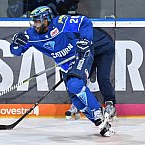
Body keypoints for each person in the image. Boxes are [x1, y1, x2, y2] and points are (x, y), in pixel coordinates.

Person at [10, 6, 115, 137]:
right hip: (66, 65)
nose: (35, 24)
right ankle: (101, 123)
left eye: (37, 21)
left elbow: (85, 22)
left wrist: (85, 40)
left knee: (75, 84)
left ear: (46, 20)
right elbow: (16, 51)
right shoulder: (31, 34)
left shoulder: (60, 22)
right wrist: (15, 42)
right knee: (76, 100)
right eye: (34, 21)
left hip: (79, 55)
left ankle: (97, 110)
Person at [65, 28, 116, 122]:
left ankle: (110, 103)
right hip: (90, 50)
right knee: (79, 76)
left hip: (104, 49)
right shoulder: (66, 35)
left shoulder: (78, 33)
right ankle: (77, 103)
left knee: (103, 78)